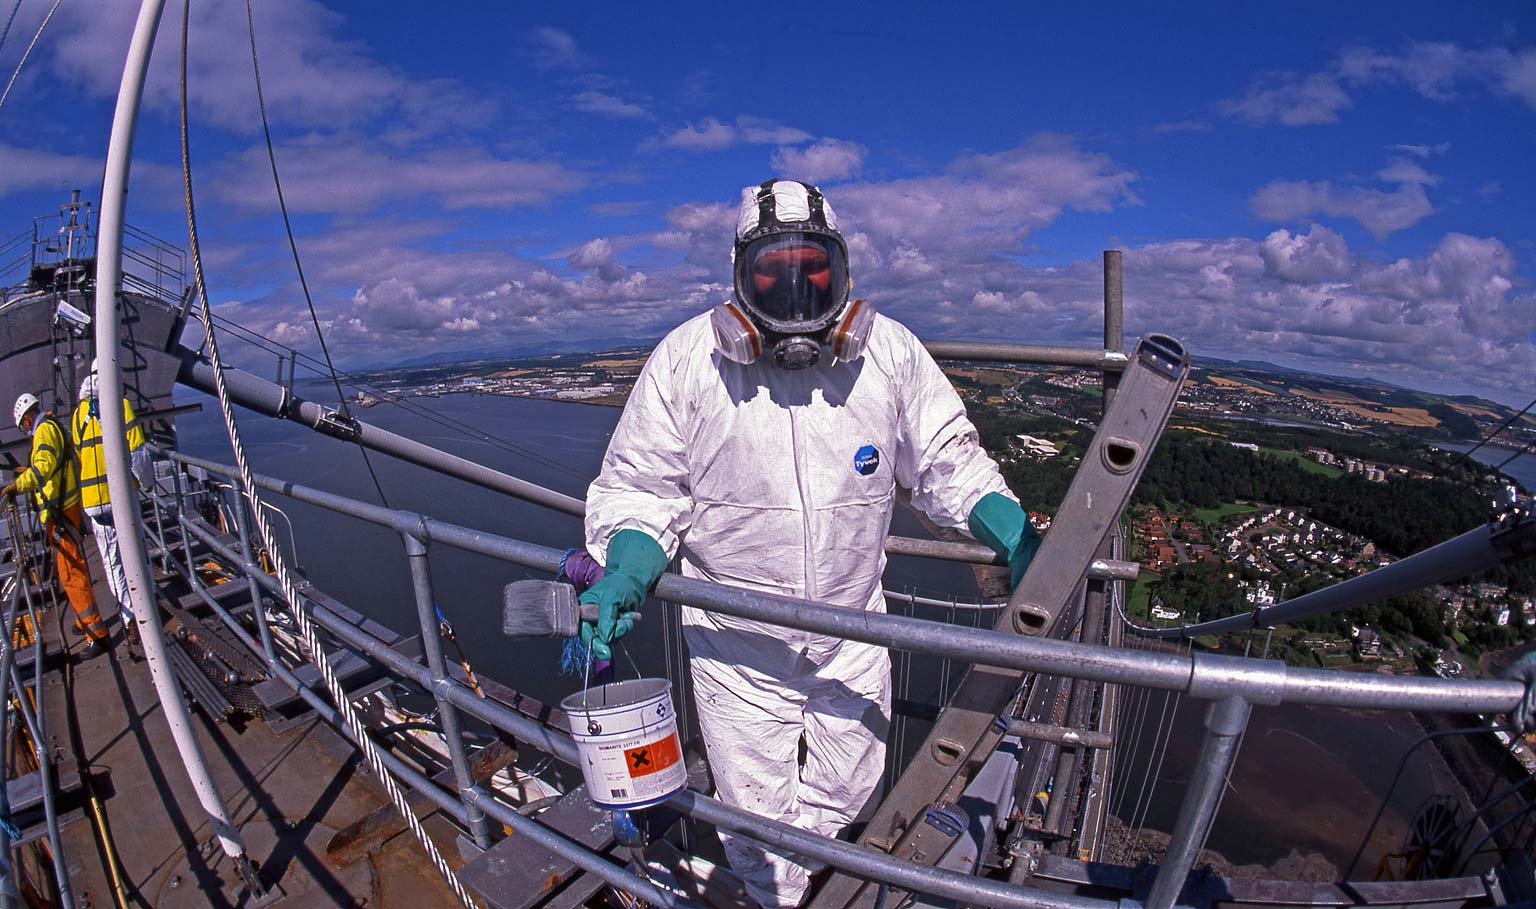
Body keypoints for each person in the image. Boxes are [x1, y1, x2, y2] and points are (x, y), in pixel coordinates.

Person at [581, 179, 1039, 908]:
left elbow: (946, 456)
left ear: (843, 270)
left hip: (852, 629)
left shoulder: (885, 354)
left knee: (849, 785)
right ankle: (780, 896)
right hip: (738, 646)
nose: (796, 291)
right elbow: (642, 487)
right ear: (740, 278)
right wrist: (628, 566)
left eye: (813, 269)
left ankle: (810, 878)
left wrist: (1008, 529)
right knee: (755, 822)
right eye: (774, 272)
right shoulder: (688, 362)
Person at [2, 393, 110, 649]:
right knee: (69, 569)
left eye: (23, 425)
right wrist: (26, 472)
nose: (24, 430)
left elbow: (43, 469)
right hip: (65, 508)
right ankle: (82, 620)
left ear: (27, 418)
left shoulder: (44, 432)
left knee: (71, 571)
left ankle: (96, 633)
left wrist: (18, 485)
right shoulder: (53, 427)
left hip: (60, 511)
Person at [72, 362, 152, 657]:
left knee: (112, 562)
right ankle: (148, 605)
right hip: (119, 495)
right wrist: (146, 484)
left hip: (94, 501)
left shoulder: (78, 415)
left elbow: (82, 453)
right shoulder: (119, 404)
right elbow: (138, 451)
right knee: (135, 549)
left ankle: (130, 617)